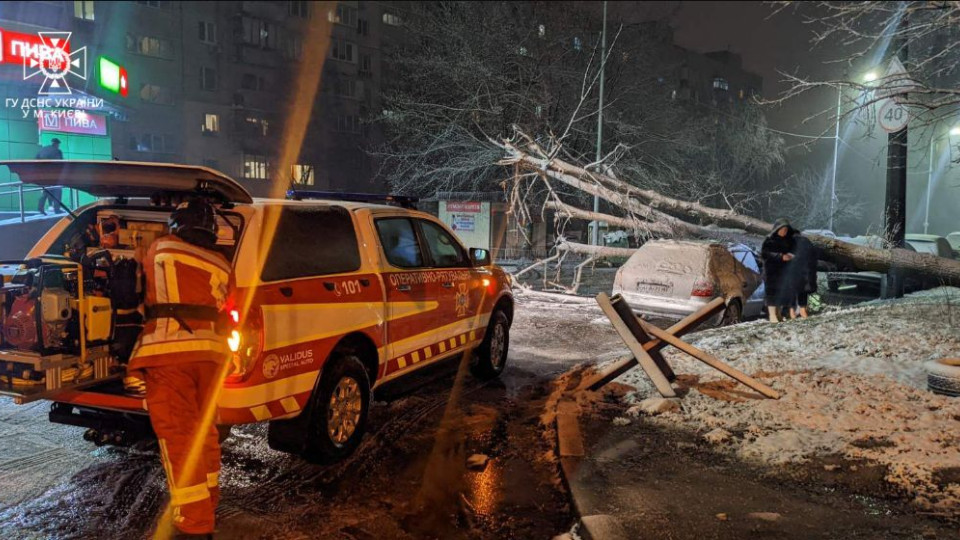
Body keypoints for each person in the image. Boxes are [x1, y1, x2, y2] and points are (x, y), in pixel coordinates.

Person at [128, 200, 233, 538]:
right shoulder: (222, 262)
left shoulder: (160, 248)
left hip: (169, 354)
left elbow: (134, 287)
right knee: (204, 435)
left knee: (179, 439)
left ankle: (193, 526)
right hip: (211, 357)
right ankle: (207, 507)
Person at [760, 218, 798, 322]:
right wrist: (780, 256)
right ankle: (772, 315)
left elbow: (795, 251)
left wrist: (792, 255)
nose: (784, 232)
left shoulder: (790, 240)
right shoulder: (769, 240)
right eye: (782, 229)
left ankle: (778, 313)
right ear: (777, 229)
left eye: (786, 230)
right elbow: (764, 254)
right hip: (771, 271)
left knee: (781, 293)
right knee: (771, 293)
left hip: (784, 271)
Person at [789, 233, 819, 319]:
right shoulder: (806, 243)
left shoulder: (791, 242)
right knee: (802, 291)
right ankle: (801, 310)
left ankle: (793, 311)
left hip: (796, 272)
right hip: (804, 272)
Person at [36, 138, 64, 215]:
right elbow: (60, 163)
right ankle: (57, 209)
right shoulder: (57, 151)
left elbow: (35, 160)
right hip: (54, 176)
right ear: (57, 144)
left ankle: (40, 208)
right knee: (57, 191)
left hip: (43, 176)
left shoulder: (43, 150)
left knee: (46, 192)